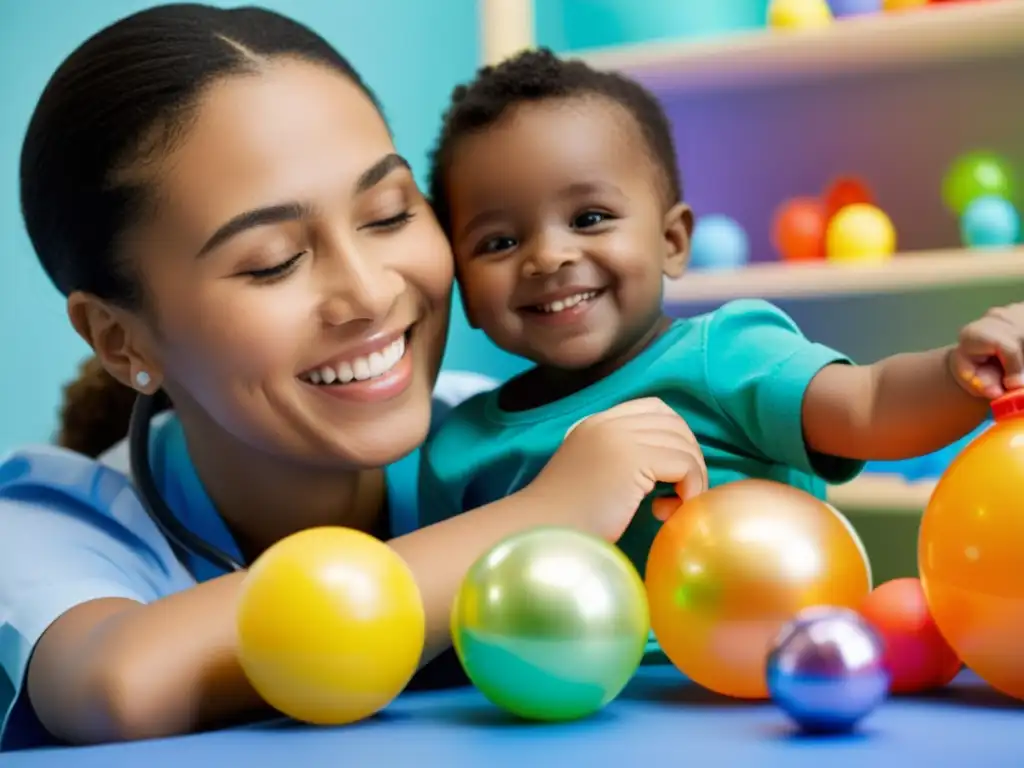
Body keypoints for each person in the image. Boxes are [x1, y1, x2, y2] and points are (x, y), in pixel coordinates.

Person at [0, 7, 708, 751]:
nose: (370, 294)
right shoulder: (59, 522)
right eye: (273, 259)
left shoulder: (525, 435)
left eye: (388, 214)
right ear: (120, 338)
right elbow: (119, 686)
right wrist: (538, 516)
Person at [419, 48, 1024, 577]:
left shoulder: (729, 355)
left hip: (750, 697)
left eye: (589, 219)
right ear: (463, 287)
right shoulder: (456, 447)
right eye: (499, 242)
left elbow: (868, 403)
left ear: (673, 242)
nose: (548, 256)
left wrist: (958, 374)